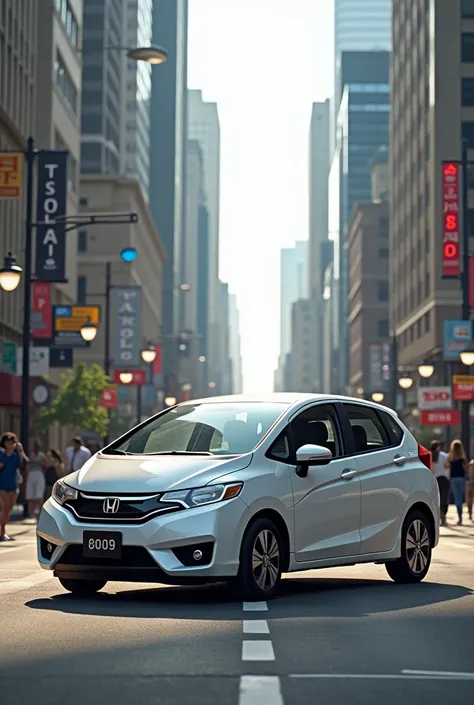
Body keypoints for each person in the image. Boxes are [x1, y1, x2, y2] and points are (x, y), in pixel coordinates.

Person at [0, 432, 28, 541]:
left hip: (12, 484)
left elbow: (24, 464)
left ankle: (3, 530)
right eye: (7, 442)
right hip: (1, 484)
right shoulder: (1, 453)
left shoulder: (16, 456)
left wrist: (21, 452)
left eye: (12, 442)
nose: (10, 444)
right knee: (5, 506)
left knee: (9, 508)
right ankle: (2, 532)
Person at [445, 439, 468, 525]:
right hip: (462, 478)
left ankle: (460, 517)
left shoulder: (450, 457)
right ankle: (461, 515)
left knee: (457, 497)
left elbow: (446, 466)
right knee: (461, 497)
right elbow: (466, 468)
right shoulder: (463, 457)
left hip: (453, 479)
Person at [25, 440, 48, 519]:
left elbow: (46, 465)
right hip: (31, 474)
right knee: (30, 495)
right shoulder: (30, 455)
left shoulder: (42, 455)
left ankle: (41, 513)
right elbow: (27, 465)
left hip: (39, 474)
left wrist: (43, 463)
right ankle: (32, 513)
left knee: (39, 495)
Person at [430, 440, 449, 526]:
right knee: (444, 498)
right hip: (444, 479)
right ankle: (443, 517)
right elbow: (447, 466)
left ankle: (439, 517)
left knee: (437, 499)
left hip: (435, 479)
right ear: (438, 447)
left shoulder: (430, 456)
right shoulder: (444, 455)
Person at [467, 458, 474, 522]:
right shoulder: (472, 463)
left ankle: (470, 514)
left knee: (470, 499)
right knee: (470, 499)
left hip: (471, 483)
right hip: (471, 483)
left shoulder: (471, 463)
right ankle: (470, 514)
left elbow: (470, 474)